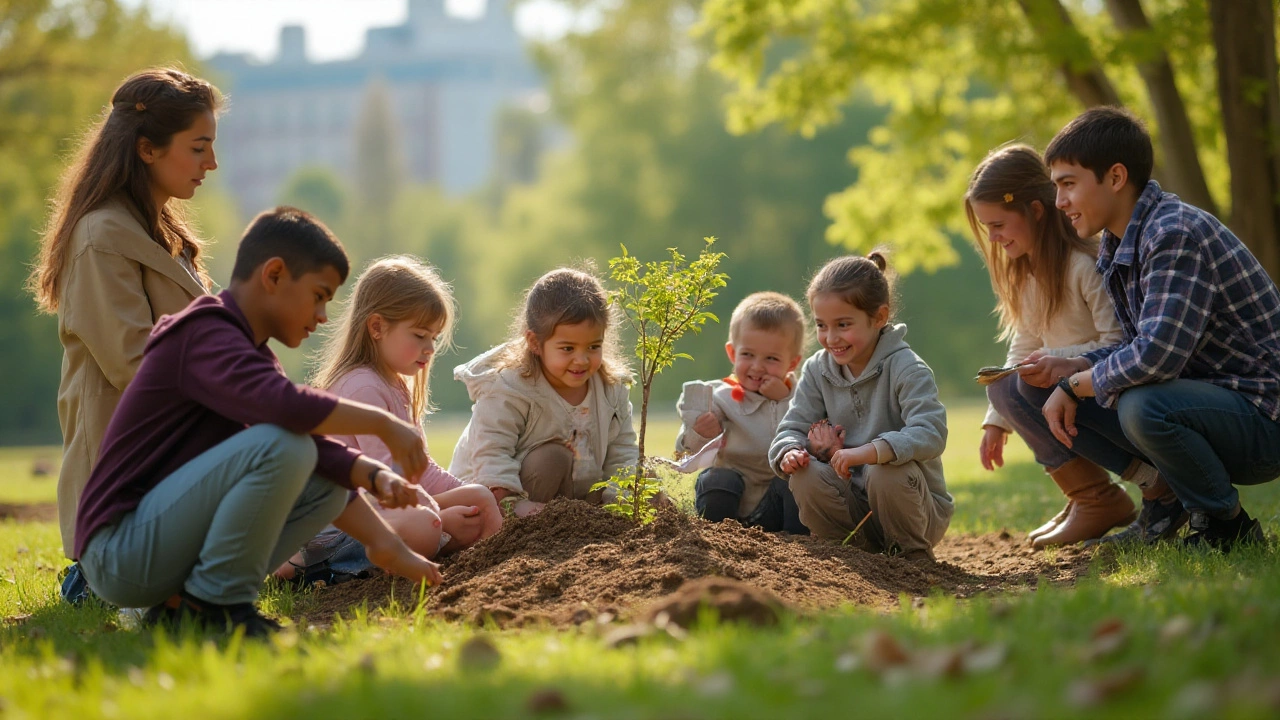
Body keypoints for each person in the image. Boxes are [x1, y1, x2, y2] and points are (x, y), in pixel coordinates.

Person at [74, 207, 439, 637]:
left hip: (160, 551)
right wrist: (383, 424)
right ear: (275, 275)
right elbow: (284, 409)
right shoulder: (204, 332)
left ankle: (188, 607)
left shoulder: (252, 355)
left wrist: (385, 529)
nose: (323, 316)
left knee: (318, 474)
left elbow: (315, 449)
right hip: (119, 551)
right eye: (319, 295)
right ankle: (218, 606)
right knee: (286, 447)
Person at [1037, 106, 1280, 550]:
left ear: (1114, 177)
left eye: (1068, 184)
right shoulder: (1119, 239)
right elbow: (1137, 344)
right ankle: (1167, 501)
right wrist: (1073, 366)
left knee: (1143, 405)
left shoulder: (1172, 233)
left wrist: (1075, 384)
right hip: (1210, 402)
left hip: (1264, 417)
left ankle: (1228, 526)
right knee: (1046, 387)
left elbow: (1156, 356)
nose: (1060, 202)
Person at [27, 68, 219, 601]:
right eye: (199, 147)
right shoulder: (101, 238)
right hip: (128, 496)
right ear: (147, 150)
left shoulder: (160, 234)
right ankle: (95, 584)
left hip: (174, 471)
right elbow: (138, 367)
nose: (212, 163)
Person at [965, 144, 1168, 548]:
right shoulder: (1027, 274)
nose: (994, 237)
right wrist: (996, 420)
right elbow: (1025, 343)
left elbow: (1119, 341)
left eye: (999, 224)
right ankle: (1090, 496)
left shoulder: (1082, 266)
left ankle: (1134, 487)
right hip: (1069, 390)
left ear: (1036, 211)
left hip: (1111, 391)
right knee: (1005, 386)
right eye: (987, 228)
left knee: (1025, 384)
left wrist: (1054, 361)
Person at [275, 256, 501, 584]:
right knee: (426, 525)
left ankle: (499, 562)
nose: (429, 348)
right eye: (420, 335)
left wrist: (468, 493)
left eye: (434, 339)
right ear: (378, 327)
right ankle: (313, 568)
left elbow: (420, 469)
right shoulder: (362, 386)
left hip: (387, 509)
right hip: (342, 525)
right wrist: (438, 512)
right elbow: (382, 484)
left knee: (478, 499)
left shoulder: (394, 383)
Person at [768, 253, 953, 560]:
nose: (831, 338)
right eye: (822, 326)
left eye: (843, 324)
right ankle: (847, 555)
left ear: (879, 317)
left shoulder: (907, 368)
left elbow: (931, 432)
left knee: (884, 472)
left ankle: (912, 557)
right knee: (805, 475)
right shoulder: (817, 369)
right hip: (851, 503)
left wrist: (871, 452)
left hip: (914, 510)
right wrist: (789, 451)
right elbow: (792, 426)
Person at [449, 267, 638, 516]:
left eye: (593, 346)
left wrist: (624, 499)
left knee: (640, 477)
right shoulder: (508, 388)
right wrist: (512, 504)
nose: (581, 360)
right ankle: (522, 528)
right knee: (553, 458)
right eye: (568, 348)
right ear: (535, 343)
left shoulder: (610, 389)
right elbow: (491, 455)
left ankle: (582, 522)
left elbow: (622, 452)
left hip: (571, 496)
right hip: (495, 502)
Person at [675, 291, 808, 533]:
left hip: (774, 508)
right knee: (717, 479)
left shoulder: (803, 397)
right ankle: (715, 535)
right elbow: (686, 450)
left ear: (791, 364)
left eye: (771, 358)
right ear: (732, 353)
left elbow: (805, 436)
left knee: (797, 481)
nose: (757, 366)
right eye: (747, 355)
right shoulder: (721, 396)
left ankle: (799, 547)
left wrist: (784, 400)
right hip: (732, 505)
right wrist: (702, 432)